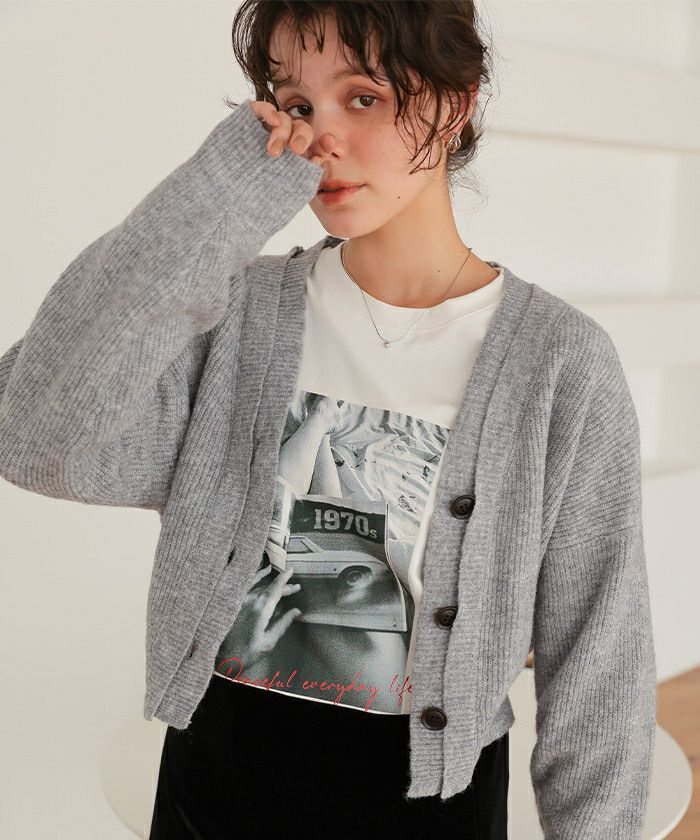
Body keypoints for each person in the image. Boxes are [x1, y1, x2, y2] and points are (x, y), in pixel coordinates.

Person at [0, 2, 656, 838]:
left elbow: (600, 660)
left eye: (364, 97)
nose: (322, 140)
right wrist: (220, 194)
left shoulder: (560, 364)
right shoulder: (236, 314)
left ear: (454, 103)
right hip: (213, 789)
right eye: (296, 105)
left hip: (430, 810)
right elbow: (34, 439)